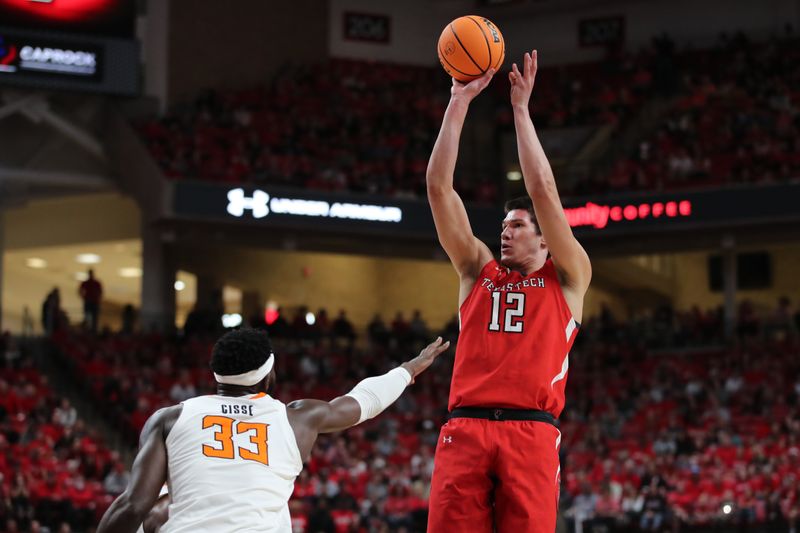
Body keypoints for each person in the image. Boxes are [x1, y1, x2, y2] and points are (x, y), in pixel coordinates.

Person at [425, 50, 592, 532]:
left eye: (517, 225)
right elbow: (439, 189)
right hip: (466, 426)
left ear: (544, 238)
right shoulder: (476, 268)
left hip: (531, 431)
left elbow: (543, 190)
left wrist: (521, 111)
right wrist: (458, 102)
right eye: (503, 225)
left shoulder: (569, 276)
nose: (505, 232)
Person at [97, 328, 449, 532]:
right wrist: (408, 369)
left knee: (158, 513)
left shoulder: (170, 418)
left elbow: (132, 505)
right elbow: (362, 402)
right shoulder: (297, 418)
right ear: (269, 374)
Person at [78, 270, 103, 334]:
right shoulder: (86, 283)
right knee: (87, 317)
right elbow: (80, 291)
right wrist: (84, 298)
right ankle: (87, 329)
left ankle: (93, 330)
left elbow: (100, 292)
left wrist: (97, 298)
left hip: (94, 302)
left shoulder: (96, 283)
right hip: (89, 302)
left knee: (94, 318)